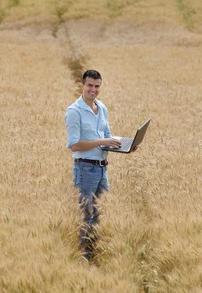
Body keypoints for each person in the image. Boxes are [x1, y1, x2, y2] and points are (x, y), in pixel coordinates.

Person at [65, 69, 122, 261]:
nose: (93, 90)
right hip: (85, 169)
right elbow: (74, 145)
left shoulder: (102, 108)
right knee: (86, 214)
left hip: (102, 168)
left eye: (97, 86)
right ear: (82, 85)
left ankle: (98, 254)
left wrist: (124, 146)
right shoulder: (74, 111)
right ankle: (84, 257)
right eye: (90, 85)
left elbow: (106, 136)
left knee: (101, 213)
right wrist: (99, 142)